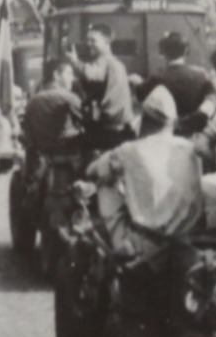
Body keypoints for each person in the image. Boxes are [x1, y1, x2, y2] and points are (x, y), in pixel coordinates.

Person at [85, 86, 205, 259]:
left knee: (106, 183)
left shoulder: (129, 151)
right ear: (173, 122)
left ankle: (115, 247)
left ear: (144, 119)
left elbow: (92, 170)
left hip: (145, 238)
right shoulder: (188, 147)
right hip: (184, 234)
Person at [143, 31, 216, 137]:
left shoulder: (156, 79)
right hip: (192, 135)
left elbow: (141, 96)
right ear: (186, 51)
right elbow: (213, 98)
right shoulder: (201, 76)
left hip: (164, 136)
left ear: (163, 51)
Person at [78, 24, 136, 150]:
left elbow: (90, 75)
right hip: (120, 126)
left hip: (108, 130)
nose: (88, 44)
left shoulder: (104, 61)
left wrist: (74, 62)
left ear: (107, 41)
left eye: (93, 40)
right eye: (87, 40)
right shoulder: (116, 63)